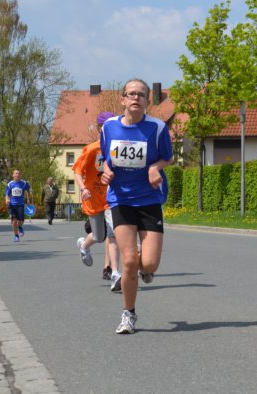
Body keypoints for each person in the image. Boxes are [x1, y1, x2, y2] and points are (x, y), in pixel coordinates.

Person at [100, 78, 173, 334]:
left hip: (150, 199)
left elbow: (167, 157)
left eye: (141, 94)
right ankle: (128, 314)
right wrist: (106, 172)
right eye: (131, 94)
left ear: (147, 101)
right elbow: (105, 157)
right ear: (122, 99)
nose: (136, 98)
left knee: (149, 264)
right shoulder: (109, 127)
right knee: (129, 261)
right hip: (121, 200)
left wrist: (155, 167)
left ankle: (146, 268)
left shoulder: (157, 128)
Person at [73, 111, 122, 292]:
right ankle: (84, 245)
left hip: (110, 198)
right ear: (100, 128)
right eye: (107, 127)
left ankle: (115, 274)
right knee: (99, 237)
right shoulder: (92, 149)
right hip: (93, 197)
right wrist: (83, 189)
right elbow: (77, 171)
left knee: (113, 234)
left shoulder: (117, 148)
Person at [5, 169, 32, 242]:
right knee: (14, 221)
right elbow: (7, 194)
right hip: (12, 205)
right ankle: (16, 236)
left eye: (18, 173)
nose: (17, 175)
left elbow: (28, 191)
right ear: (13, 175)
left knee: (21, 221)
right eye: (15, 173)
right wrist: (7, 200)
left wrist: (28, 199)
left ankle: (20, 227)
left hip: (20, 204)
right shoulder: (10, 184)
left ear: (20, 175)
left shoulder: (24, 183)